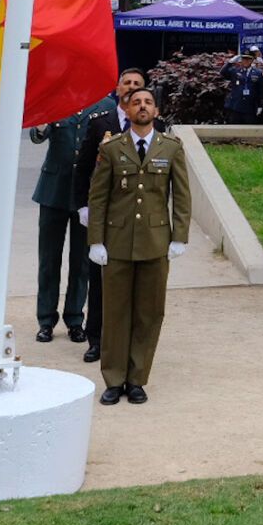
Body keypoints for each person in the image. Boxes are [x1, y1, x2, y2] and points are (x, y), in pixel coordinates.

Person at [86, 85, 190, 404]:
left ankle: (137, 378)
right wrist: (96, 241)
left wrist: (179, 237)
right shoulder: (113, 148)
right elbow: (99, 197)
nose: (142, 107)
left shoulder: (171, 147)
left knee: (149, 313)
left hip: (156, 244)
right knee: (115, 313)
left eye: (148, 102)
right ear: (127, 111)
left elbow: (182, 197)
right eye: (136, 103)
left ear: (156, 112)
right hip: (117, 243)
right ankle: (114, 379)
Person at [74, 73, 141, 363]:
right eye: (127, 83)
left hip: (135, 216)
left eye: (138, 85)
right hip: (104, 213)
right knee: (99, 278)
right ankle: (96, 340)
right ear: (117, 89)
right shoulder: (101, 122)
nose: (132, 89)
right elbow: (84, 168)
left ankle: (127, 340)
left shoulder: (153, 127)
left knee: (135, 281)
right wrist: (83, 207)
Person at [29, 101, 94, 345]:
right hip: (53, 191)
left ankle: (75, 319)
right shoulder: (56, 101)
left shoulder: (104, 105)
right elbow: (37, 135)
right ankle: (46, 320)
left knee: (81, 262)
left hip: (85, 195)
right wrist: (42, 126)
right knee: (48, 260)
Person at [224, 48, 263, 124]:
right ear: (241, 60)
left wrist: (260, 105)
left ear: (252, 60)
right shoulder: (235, 71)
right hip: (236, 106)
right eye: (244, 59)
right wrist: (230, 62)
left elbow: (260, 90)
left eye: (248, 59)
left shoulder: (257, 73)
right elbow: (223, 73)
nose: (246, 61)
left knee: (249, 132)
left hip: (250, 107)